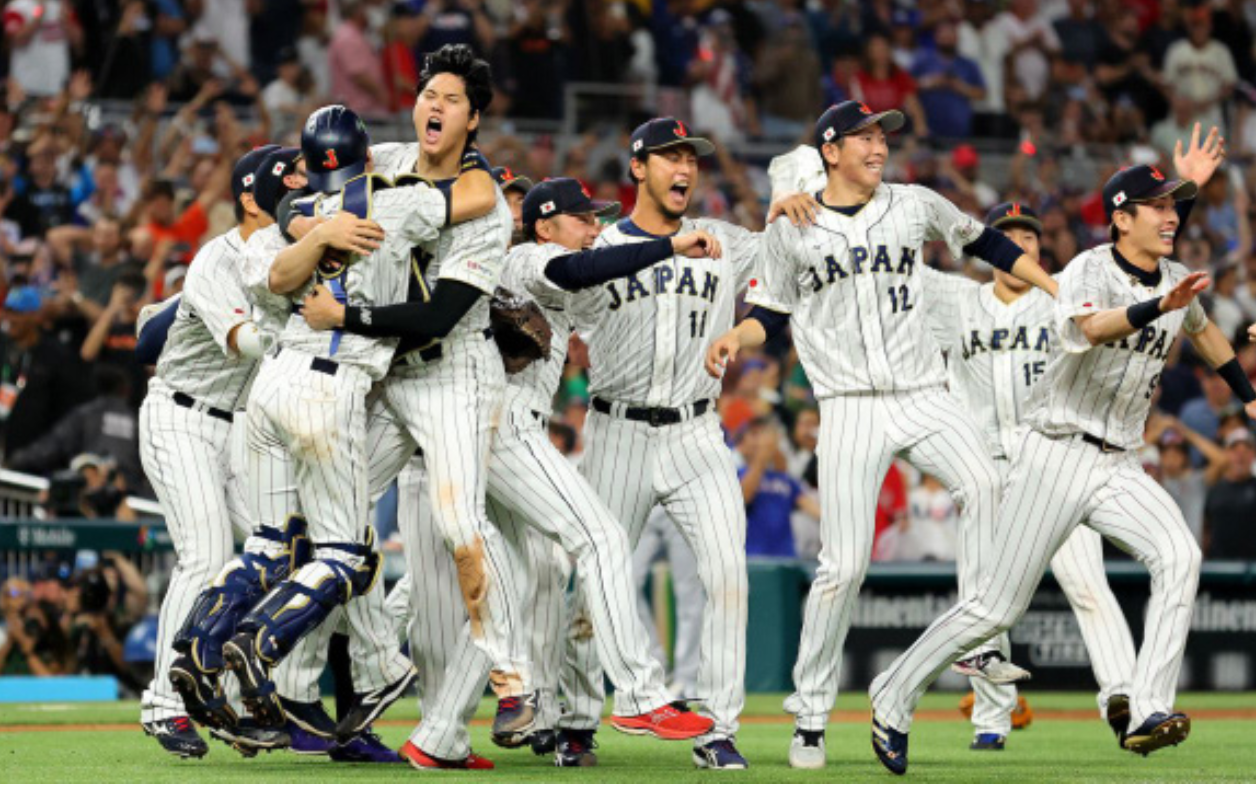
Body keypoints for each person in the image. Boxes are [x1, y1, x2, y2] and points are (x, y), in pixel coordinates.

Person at [305, 176, 720, 768]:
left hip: (477, 423)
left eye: (597, 218)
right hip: (501, 422)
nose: (594, 228)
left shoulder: (522, 261)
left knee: (511, 589)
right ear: (546, 224)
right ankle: (639, 693)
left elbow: (597, 284)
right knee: (599, 537)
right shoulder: (528, 256)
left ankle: (440, 735)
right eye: (583, 218)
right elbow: (578, 273)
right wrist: (671, 245)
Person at [867, 164, 1256, 774]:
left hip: (1120, 461)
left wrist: (1245, 390)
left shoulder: (1179, 279)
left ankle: (1148, 707)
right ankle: (890, 693)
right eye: (1156, 206)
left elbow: (1203, 331)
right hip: (1055, 452)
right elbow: (1091, 327)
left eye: (1174, 205)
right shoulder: (1087, 269)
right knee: (994, 609)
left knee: (1180, 556)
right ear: (1121, 218)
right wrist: (1158, 305)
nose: (1171, 216)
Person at [707, 100, 1057, 770]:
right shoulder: (792, 226)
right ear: (831, 149)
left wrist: (1051, 285)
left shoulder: (913, 203)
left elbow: (984, 241)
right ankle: (810, 713)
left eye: (883, 136)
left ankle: (978, 634)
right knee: (844, 567)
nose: (879, 146)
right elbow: (770, 315)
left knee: (986, 482)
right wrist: (737, 334)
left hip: (925, 391)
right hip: (849, 406)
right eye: (864, 136)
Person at [557, 116, 813, 771]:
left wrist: (785, 214)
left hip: (699, 431)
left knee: (729, 575)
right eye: (670, 156)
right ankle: (579, 718)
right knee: (595, 583)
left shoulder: (723, 240)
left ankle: (717, 726)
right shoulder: (605, 243)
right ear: (638, 167)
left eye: (691, 157)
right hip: (616, 431)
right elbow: (568, 294)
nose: (685, 167)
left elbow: (783, 266)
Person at [136, 145, 279, 759]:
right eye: (290, 177)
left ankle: (242, 691)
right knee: (206, 552)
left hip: (239, 426)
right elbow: (247, 343)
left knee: (282, 552)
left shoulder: (292, 255)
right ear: (251, 196)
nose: (304, 184)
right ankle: (165, 704)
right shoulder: (220, 258)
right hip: (182, 414)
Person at [1203, 427, 1256, 559]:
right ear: (1226, 454)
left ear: (1253, 454)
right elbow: (1206, 529)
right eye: (1235, 450)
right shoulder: (1214, 489)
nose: (1240, 455)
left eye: (1246, 450)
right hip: (1218, 569)